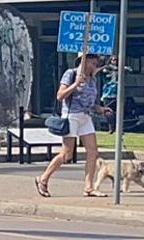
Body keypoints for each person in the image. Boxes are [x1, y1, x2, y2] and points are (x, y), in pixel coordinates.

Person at [36, 51, 113, 198]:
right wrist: (75, 84)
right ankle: (43, 178)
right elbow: (60, 95)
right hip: (71, 115)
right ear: (84, 61)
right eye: (93, 62)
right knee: (67, 153)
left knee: (92, 151)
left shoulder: (92, 79)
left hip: (85, 116)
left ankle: (89, 187)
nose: (95, 65)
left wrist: (101, 109)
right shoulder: (70, 74)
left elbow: (90, 103)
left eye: (96, 63)